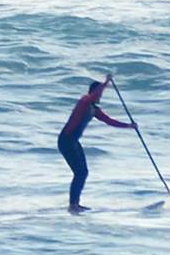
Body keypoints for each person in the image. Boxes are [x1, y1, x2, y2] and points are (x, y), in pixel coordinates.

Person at [58, 73, 135, 213]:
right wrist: (106, 82)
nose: (100, 96)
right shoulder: (84, 101)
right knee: (80, 173)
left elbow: (110, 121)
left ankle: (75, 204)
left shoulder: (94, 110)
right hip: (66, 140)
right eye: (99, 93)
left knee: (83, 172)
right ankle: (73, 205)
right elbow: (93, 95)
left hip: (73, 141)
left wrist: (129, 126)